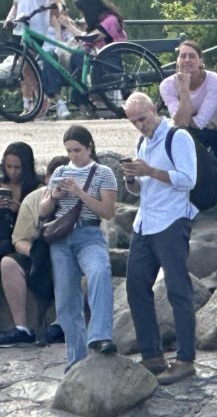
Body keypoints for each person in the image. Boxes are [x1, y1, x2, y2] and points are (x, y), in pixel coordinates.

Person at [122, 93, 198, 384]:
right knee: (136, 286)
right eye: (134, 121)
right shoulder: (142, 142)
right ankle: (152, 355)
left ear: (154, 110)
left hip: (172, 220)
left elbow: (188, 179)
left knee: (179, 289)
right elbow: (144, 187)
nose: (139, 125)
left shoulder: (177, 137)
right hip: (145, 222)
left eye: (142, 118)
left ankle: (185, 358)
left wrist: (150, 171)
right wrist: (132, 179)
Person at [38, 125, 117, 369]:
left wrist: (79, 192)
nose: (73, 155)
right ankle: (76, 358)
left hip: (89, 232)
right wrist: (55, 196)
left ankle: (100, 336)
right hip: (61, 237)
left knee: (99, 272)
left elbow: (107, 211)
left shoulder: (103, 172)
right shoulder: (61, 170)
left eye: (78, 150)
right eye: (69, 150)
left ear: (89, 147)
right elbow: (42, 211)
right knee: (66, 298)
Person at [0, 156, 66, 347]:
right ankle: (22, 329)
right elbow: (19, 239)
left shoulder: (82, 198)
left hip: (68, 256)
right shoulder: (34, 199)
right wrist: (38, 256)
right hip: (36, 255)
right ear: (47, 178)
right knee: (8, 263)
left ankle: (61, 323)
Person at [3, 0, 66, 118]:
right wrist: (9, 19)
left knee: (26, 67)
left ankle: (41, 100)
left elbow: (55, 1)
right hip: (20, 30)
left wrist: (60, 8)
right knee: (25, 70)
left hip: (36, 32)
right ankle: (30, 103)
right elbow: (16, 6)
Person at [0, 143, 42, 346]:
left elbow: (37, 223)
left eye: (17, 167)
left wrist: (20, 209)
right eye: (9, 166)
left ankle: (21, 329)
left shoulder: (35, 190)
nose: (13, 172)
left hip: (20, 241)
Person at [58, 0, 128, 112]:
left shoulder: (110, 20)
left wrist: (68, 25)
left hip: (109, 62)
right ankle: (82, 104)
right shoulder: (101, 19)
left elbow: (90, 38)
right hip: (98, 60)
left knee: (78, 59)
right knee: (77, 58)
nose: (82, 14)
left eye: (83, 11)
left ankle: (83, 105)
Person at [160, 40, 217, 158]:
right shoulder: (167, 85)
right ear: (177, 61)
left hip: (215, 132)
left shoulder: (214, 80)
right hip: (187, 132)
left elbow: (200, 122)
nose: (187, 60)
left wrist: (186, 119)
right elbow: (181, 123)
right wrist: (184, 91)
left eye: (192, 56)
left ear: (200, 61)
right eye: (183, 56)